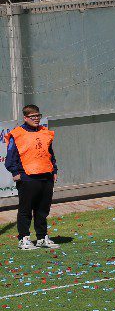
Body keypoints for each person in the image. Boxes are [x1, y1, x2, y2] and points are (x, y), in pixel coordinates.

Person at [4, 104, 58, 250]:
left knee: (42, 209)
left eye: (38, 116)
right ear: (25, 117)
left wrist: (54, 170)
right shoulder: (17, 134)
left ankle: (41, 237)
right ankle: (24, 239)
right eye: (32, 116)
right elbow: (10, 159)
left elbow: (50, 154)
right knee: (25, 209)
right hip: (28, 177)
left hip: (46, 176)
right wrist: (16, 173)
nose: (36, 119)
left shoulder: (44, 132)